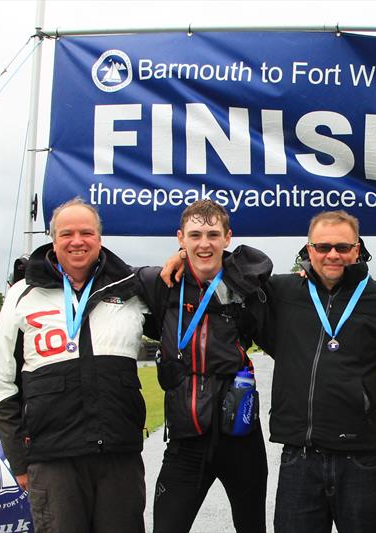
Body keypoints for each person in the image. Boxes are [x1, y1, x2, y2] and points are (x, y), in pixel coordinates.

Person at [0, 198, 148, 533]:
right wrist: (19, 462)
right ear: (53, 239)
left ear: (99, 239)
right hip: (53, 460)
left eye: (86, 232)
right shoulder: (21, 294)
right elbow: (3, 384)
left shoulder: (131, 288)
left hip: (119, 455)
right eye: (67, 233)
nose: (77, 241)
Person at [253, 210, 376, 533]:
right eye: (322, 247)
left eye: (342, 246)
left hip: (362, 459)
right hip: (300, 456)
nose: (332, 254)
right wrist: (180, 258)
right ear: (308, 250)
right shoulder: (282, 293)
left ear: (357, 249)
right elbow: (233, 276)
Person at [136, 199, 272, 533]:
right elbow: (106, 273)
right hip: (186, 437)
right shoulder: (161, 284)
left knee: (252, 526)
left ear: (228, 238)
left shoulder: (248, 283)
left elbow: (264, 264)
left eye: (213, 234)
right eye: (195, 235)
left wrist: (185, 254)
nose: (204, 243)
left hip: (240, 433)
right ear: (180, 238)